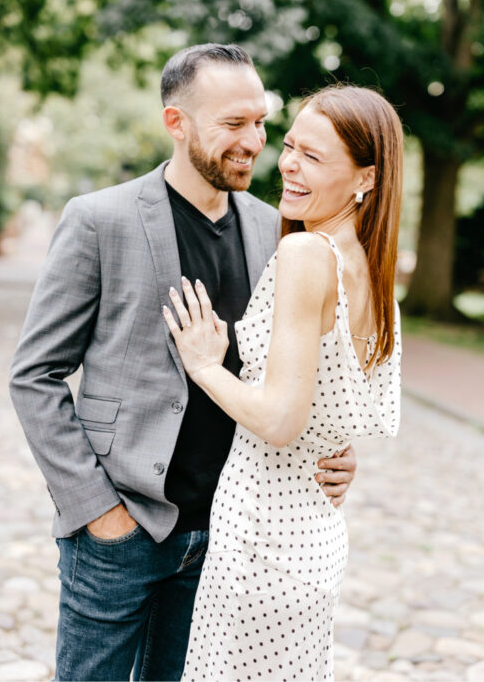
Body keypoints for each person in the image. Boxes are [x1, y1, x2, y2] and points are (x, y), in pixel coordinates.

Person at [8, 43, 357, 681]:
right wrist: (96, 511)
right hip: (121, 531)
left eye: (259, 121)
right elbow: (34, 376)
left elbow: (289, 376)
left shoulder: (278, 229)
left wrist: (330, 447)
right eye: (233, 124)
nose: (255, 141)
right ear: (177, 123)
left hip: (230, 536)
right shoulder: (97, 221)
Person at [164, 84, 403, 681]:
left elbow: (279, 420)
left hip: (262, 536)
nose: (289, 165)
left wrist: (204, 366)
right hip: (314, 534)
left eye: (314, 158)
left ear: (365, 179)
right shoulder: (371, 268)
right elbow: (336, 403)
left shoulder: (306, 254)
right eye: (291, 145)